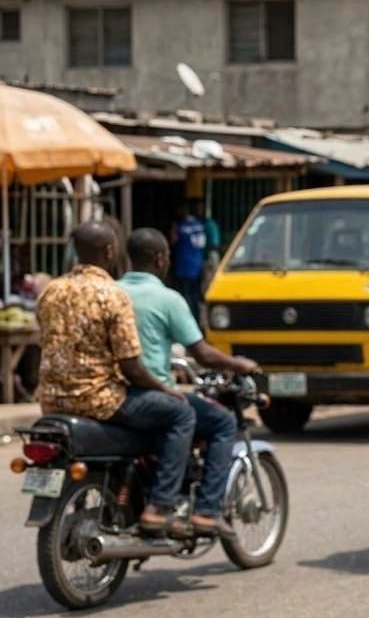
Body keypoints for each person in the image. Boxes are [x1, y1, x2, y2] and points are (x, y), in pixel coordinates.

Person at [37, 222, 196, 536]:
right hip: (100, 400)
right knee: (181, 413)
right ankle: (160, 506)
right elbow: (131, 367)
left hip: (52, 400)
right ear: (110, 252)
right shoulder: (112, 294)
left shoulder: (50, 292)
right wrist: (166, 389)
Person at [119, 228, 261, 537]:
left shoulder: (112, 292)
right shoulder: (168, 298)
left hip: (115, 393)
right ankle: (204, 511)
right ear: (160, 258)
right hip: (149, 392)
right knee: (222, 422)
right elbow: (203, 354)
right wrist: (241, 364)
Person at [171, 201, 207, 320]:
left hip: (185, 266)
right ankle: (197, 321)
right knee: (196, 295)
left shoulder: (180, 227)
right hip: (198, 265)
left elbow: (173, 241)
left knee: (186, 297)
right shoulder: (199, 225)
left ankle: (187, 321)